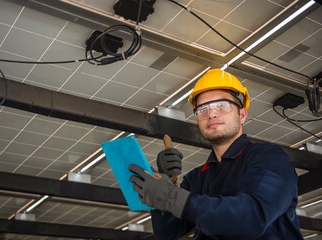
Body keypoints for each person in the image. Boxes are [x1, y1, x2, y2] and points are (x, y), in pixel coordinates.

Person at [129, 68, 303, 239]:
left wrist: (172, 197)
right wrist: (167, 180)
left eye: (221, 105)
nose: (211, 114)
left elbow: (252, 219)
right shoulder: (196, 178)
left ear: (242, 114)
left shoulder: (270, 159)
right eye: (202, 109)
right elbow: (168, 231)